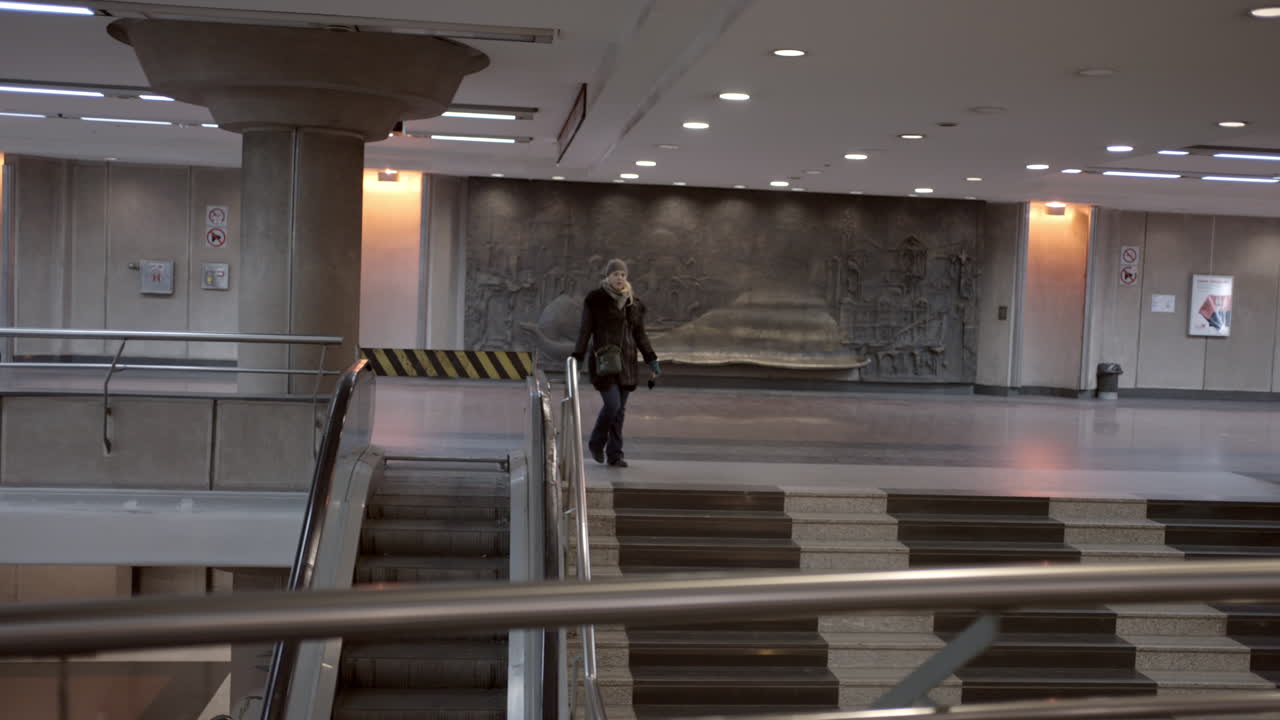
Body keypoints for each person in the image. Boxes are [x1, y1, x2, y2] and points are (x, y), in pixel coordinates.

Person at [572, 258, 660, 468]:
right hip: (606, 361)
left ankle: (615, 454)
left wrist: (651, 358)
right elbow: (585, 331)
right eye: (615, 274)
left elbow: (640, 335)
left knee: (620, 412)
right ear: (607, 277)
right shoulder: (596, 300)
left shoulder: (634, 304)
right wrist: (578, 356)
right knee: (613, 405)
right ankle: (596, 442)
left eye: (622, 275)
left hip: (628, 363)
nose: (619, 278)